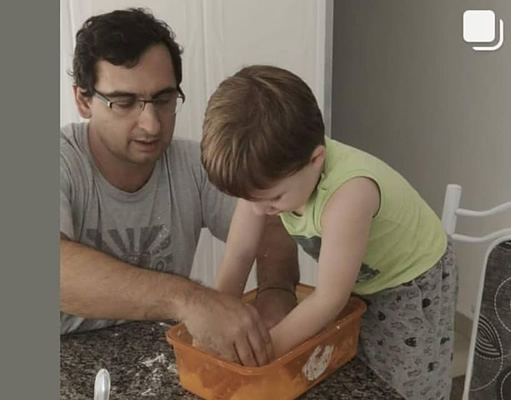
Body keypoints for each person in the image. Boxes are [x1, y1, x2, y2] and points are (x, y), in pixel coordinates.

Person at [200, 65, 459, 399]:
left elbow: (329, 298)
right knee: (352, 364)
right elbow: (238, 254)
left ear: (316, 159)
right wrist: (217, 326)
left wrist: (261, 355)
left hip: (411, 282)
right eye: (247, 199)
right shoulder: (264, 186)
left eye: (273, 199)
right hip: (363, 276)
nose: (258, 211)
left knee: (403, 382)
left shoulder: (350, 195)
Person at [60, 8, 300, 368]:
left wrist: (276, 291)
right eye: (124, 103)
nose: (151, 124)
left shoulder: (192, 164)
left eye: (163, 100)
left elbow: (272, 222)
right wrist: (187, 300)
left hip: (164, 356)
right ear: (83, 100)